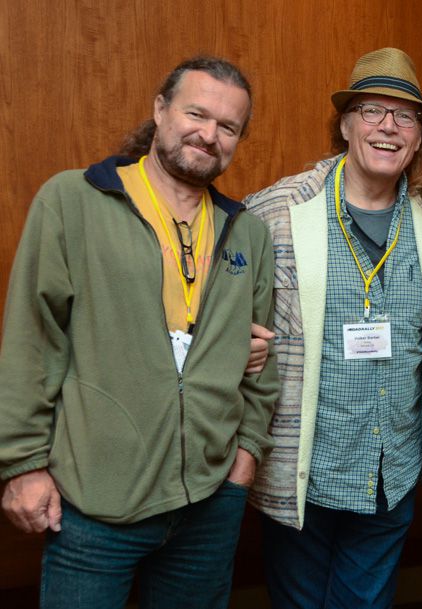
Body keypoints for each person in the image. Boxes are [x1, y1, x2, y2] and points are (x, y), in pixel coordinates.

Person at [0, 56, 278, 609]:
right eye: (196, 114)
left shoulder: (247, 233)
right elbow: (33, 341)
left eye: (228, 126)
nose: (209, 134)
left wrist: (246, 458)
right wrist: (23, 464)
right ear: (160, 109)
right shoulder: (74, 201)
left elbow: (262, 359)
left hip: (208, 505)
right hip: (93, 507)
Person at [243, 47, 422, 609]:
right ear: (344, 125)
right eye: (371, 110)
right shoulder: (275, 212)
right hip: (301, 472)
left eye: (405, 116)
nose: (388, 126)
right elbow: (229, 316)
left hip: (391, 470)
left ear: (419, 137)